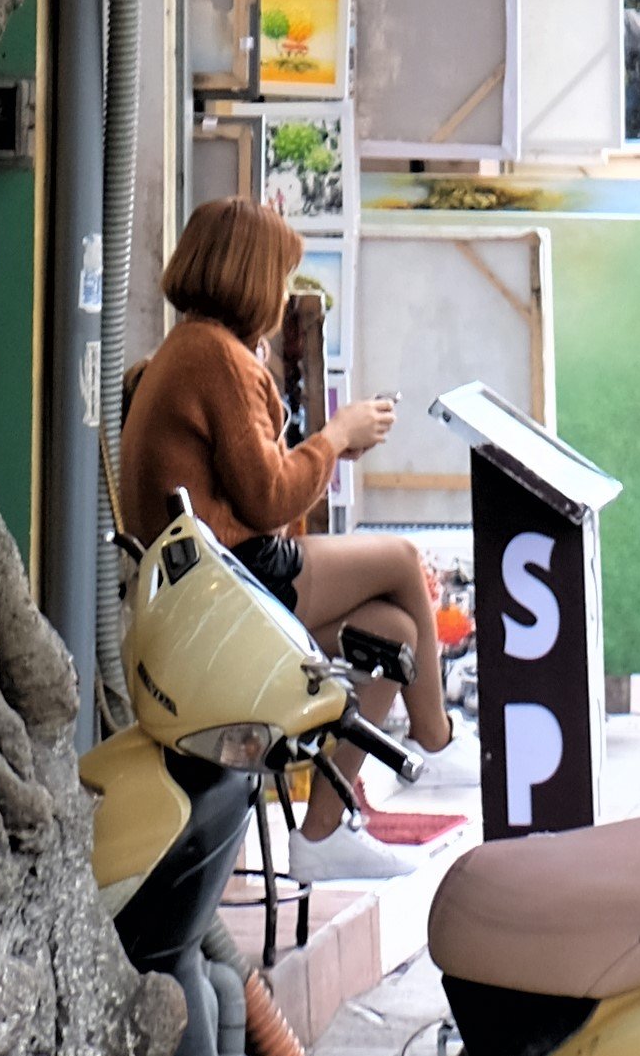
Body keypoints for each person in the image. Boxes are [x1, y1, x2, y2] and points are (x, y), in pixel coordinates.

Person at [116, 194, 453, 751]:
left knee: (393, 636)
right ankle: (435, 737)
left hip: (202, 593)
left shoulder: (190, 348)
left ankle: (320, 835)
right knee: (402, 560)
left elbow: (253, 476)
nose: (283, 294)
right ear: (253, 278)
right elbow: (270, 499)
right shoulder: (219, 359)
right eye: (280, 277)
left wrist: (331, 446)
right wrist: (337, 434)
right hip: (236, 583)